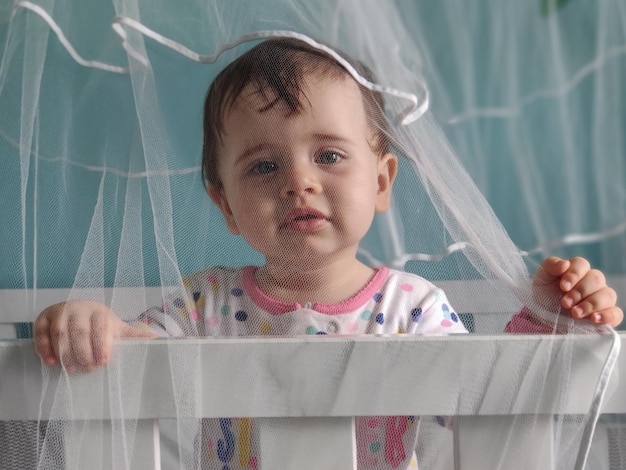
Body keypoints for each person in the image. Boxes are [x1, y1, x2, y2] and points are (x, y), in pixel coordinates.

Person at [34, 38, 623, 469]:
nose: (299, 183)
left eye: (330, 156)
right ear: (226, 206)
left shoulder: (412, 306)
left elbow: (479, 398)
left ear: (383, 182)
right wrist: (95, 324)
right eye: (263, 166)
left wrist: (546, 320)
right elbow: (132, 365)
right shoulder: (202, 303)